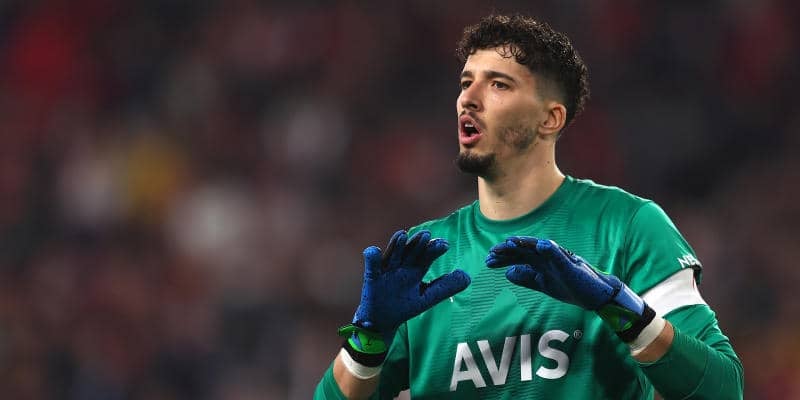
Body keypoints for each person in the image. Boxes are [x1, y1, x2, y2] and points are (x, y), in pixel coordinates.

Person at [314, 14, 743, 399]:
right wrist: (368, 341)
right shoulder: (426, 255)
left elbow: (722, 389)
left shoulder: (627, 226)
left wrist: (621, 309)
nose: (469, 98)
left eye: (498, 84)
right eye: (466, 83)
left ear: (550, 119)